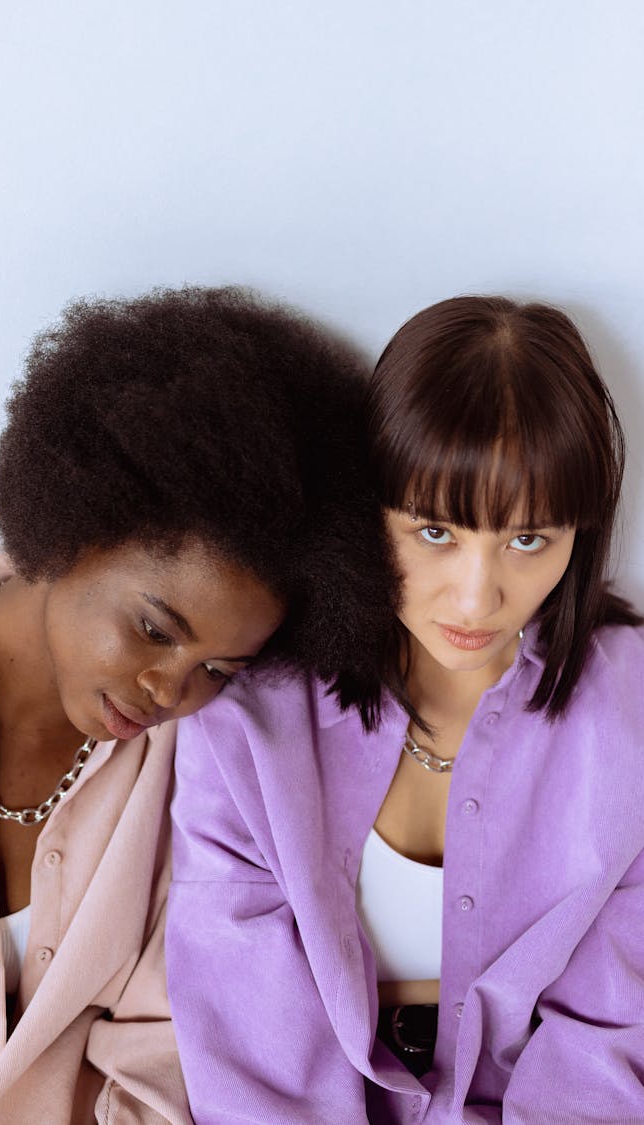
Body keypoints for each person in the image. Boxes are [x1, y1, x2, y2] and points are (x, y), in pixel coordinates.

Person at [0, 286, 393, 1124]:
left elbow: (167, 1052)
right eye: (156, 628)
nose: (173, 691)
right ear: (74, 525)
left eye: (222, 668)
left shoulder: (198, 771)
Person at [167, 295, 644, 1123]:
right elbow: (246, 1039)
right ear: (370, 507)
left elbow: (610, 1039)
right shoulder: (251, 714)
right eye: (434, 532)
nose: (477, 593)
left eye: (529, 540)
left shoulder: (631, 712)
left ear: (581, 535)